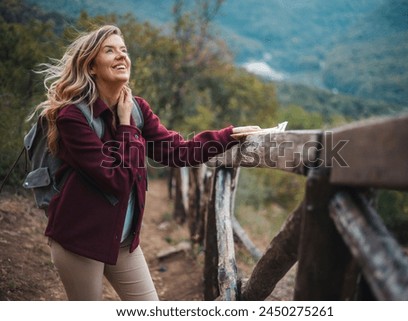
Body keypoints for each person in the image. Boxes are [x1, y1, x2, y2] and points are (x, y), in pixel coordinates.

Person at [33, 25, 259, 300]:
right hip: (79, 242)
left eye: (124, 50)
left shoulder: (138, 108)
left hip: (122, 241)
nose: (121, 56)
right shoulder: (74, 117)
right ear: (91, 66)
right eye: (110, 51)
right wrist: (126, 126)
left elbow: (177, 151)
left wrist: (228, 136)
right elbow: (114, 180)